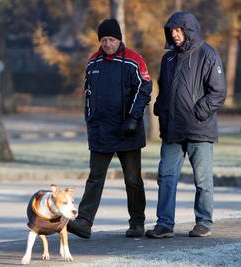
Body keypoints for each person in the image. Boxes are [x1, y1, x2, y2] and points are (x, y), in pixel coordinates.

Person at [67, 18, 152, 239]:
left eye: (111, 39)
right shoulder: (93, 62)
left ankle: (137, 223)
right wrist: (90, 120)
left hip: (127, 131)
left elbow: (144, 89)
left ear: (119, 39)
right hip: (101, 132)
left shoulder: (134, 60)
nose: (107, 44)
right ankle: (84, 221)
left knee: (133, 180)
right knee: (95, 178)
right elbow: (87, 94)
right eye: (103, 40)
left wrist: (133, 119)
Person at [146, 12, 226, 239]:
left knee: (202, 180)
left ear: (189, 31)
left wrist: (198, 113)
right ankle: (164, 224)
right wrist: (160, 109)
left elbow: (218, 92)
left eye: (179, 30)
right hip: (172, 131)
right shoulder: (168, 58)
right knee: (166, 176)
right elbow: (164, 89)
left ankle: (203, 222)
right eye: (171, 31)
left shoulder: (207, 54)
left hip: (199, 130)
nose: (175, 34)